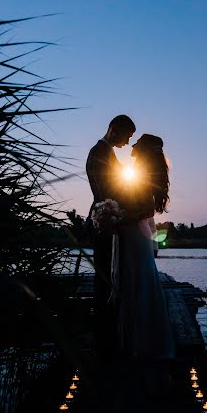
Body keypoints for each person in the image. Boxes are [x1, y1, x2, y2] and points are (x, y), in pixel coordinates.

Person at [114, 133, 176, 365]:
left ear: (145, 148)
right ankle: (132, 341)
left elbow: (145, 210)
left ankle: (145, 344)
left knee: (139, 284)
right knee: (134, 282)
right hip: (135, 233)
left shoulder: (143, 172)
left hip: (135, 234)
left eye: (138, 142)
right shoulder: (138, 169)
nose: (134, 144)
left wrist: (118, 217)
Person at [85, 114, 136, 359]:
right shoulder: (98, 152)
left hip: (111, 218)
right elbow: (104, 191)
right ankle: (103, 338)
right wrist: (114, 213)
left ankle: (107, 330)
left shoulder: (107, 152)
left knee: (109, 274)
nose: (127, 143)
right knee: (104, 275)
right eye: (127, 136)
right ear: (115, 130)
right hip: (105, 220)